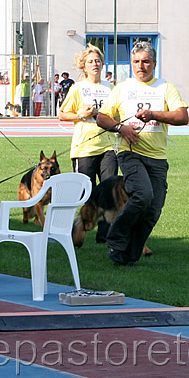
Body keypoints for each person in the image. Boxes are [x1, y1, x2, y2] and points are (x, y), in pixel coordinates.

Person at [96, 41, 189, 265]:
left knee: (153, 209)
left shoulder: (166, 87)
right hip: (130, 153)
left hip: (157, 157)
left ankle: (126, 256)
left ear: (154, 64)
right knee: (143, 195)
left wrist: (155, 114)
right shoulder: (122, 88)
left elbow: (182, 117)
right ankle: (115, 236)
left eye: (146, 62)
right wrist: (122, 128)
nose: (141, 66)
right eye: (136, 62)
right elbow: (102, 117)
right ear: (131, 63)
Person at [59, 45, 119, 243]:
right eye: (91, 61)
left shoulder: (110, 88)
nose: (95, 64)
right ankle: (77, 230)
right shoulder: (77, 88)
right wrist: (80, 115)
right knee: (85, 192)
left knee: (110, 190)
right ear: (83, 66)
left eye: (98, 60)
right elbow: (62, 114)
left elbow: (116, 114)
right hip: (84, 147)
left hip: (108, 145)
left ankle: (106, 235)